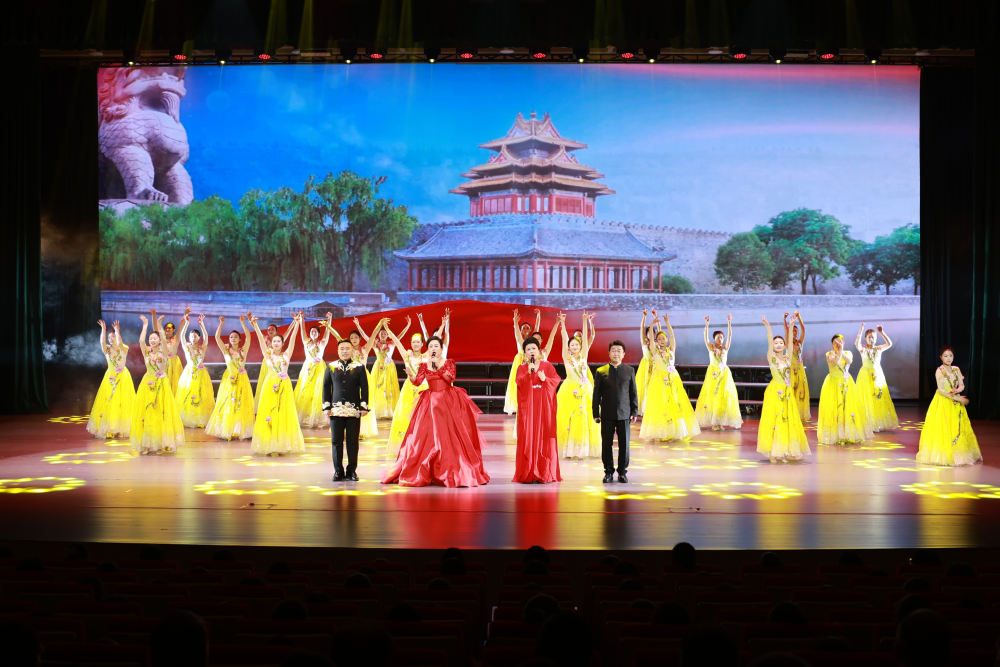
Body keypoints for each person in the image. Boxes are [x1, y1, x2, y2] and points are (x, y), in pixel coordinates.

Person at [382, 336, 490, 487]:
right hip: (430, 402)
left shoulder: (448, 362)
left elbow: (450, 378)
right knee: (426, 437)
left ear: (441, 348)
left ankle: (450, 468)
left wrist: (438, 365)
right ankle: (429, 469)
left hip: (447, 401)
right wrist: (411, 375)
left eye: (436, 346)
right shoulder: (424, 365)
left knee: (449, 436)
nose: (433, 349)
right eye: (430, 346)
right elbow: (418, 382)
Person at [384, 314, 445, 457]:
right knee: (405, 417)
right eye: (413, 342)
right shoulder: (407, 355)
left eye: (418, 342)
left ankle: (423, 446)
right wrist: (387, 329)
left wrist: (442, 325)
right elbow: (396, 340)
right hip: (408, 390)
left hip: (423, 389)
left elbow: (436, 340)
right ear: (411, 344)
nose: (416, 344)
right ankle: (406, 447)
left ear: (422, 344)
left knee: (424, 418)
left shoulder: (426, 356)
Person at [250, 313, 305, 456]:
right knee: (269, 413)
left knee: (283, 413)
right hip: (269, 386)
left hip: (284, 386)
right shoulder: (267, 355)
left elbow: (293, 338)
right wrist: (255, 325)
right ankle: (270, 444)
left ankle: (282, 444)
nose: (275, 343)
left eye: (278, 341)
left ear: (282, 343)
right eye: (274, 341)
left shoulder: (287, 354)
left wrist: (297, 323)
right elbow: (261, 340)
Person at [639, 314, 701, 442]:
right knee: (661, 405)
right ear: (656, 341)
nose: (662, 340)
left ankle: (673, 431)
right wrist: (651, 324)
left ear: (667, 339)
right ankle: (661, 432)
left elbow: (672, 335)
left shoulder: (671, 350)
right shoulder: (655, 351)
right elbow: (651, 339)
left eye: (664, 338)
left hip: (673, 380)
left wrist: (667, 323)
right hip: (659, 380)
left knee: (674, 404)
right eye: (659, 339)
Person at [917, 345, 982, 466]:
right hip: (944, 401)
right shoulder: (939, 371)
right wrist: (957, 398)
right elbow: (941, 390)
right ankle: (945, 455)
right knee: (944, 427)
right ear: (941, 357)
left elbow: (962, 384)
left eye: (950, 355)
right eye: (945, 356)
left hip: (955, 401)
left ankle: (958, 453)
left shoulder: (956, 369)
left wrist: (957, 390)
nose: (948, 358)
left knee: (958, 427)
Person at [131, 312, 186, 455]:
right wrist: (145, 325)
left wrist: (160, 326)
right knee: (147, 412)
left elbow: (163, 337)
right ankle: (146, 444)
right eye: (151, 338)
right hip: (147, 384)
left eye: (155, 338)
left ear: (160, 340)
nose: (152, 340)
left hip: (161, 385)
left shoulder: (164, 351)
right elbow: (141, 341)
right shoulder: (146, 352)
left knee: (161, 412)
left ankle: (161, 443)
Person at [757, 317, 809, 463]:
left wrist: (791, 325)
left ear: (784, 345)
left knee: (786, 420)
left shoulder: (787, 358)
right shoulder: (771, 358)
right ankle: (774, 452)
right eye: (776, 343)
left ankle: (785, 450)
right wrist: (768, 326)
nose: (778, 344)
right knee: (776, 420)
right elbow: (769, 342)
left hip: (787, 392)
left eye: (781, 342)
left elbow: (791, 343)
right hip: (775, 392)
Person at [513, 336, 562, 484]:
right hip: (529, 410)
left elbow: (556, 381)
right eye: (528, 349)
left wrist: (545, 379)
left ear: (539, 351)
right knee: (529, 436)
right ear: (525, 353)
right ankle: (528, 471)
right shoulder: (522, 368)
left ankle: (544, 471)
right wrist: (528, 374)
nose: (531, 351)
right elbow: (519, 384)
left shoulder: (548, 366)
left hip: (544, 409)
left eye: (534, 348)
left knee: (544, 437)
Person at [323, 338, 370, 481]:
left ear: (352, 350)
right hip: (335, 410)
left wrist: (364, 406)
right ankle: (338, 471)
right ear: (338, 351)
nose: (344, 351)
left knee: (353, 442)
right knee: (336, 442)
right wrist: (326, 407)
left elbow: (364, 388)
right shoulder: (331, 366)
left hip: (353, 411)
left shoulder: (359, 367)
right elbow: (326, 387)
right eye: (342, 349)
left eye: (347, 348)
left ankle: (351, 471)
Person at [326, 320, 382, 439]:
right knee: (349, 402)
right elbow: (338, 337)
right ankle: (346, 427)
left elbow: (373, 335)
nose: (354, 339)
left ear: (360, 339)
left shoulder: (365, 349)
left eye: (356, 337)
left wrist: (380, 325)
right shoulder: (348, 350)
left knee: (362, 403)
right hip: (349, 379)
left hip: (363, 379)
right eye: (351, 338)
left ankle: (361, 431)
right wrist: (329, 327)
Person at [593, 340, 638, 483]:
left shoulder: (630, 371)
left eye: (619, 351)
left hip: (624, 414)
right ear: (609, 353)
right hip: (607, 414)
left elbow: (633, 393)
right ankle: (608, 472)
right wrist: (596, 413)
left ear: (623, 354)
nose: (616, 353)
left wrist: (634, 411)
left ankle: (622, 472)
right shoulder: (601, 371)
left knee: (624, 445)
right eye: (613, 350)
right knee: (606, 445)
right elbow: (596, 394)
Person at [817, 331, 873, 445]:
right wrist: (839, 351)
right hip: (833, 383)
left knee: (848, 408)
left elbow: (849, 361)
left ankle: (848, 434)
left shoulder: (848, 353)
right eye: (835, 342)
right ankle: (836, 435)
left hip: (847, 383)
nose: (838, 343)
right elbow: (835, 362)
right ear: (832, 344)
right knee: (835, 408)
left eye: (840, 341)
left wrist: (841, 350)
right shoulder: (829, 354)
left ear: (844, 343)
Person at [557, 313, 600, 459]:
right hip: (569, 390)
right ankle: (569, 450)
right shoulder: (566, 358)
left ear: (580, 346)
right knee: (570, 419)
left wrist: (584, 321)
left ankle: (583, 449)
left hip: (585, 390)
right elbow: (564, 339)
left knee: (585, 418)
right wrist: (563, 323)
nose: (575, 346)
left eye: (577, 344)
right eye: (572, 345)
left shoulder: (584, 357)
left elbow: (586, 339)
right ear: (569, 348)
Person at [205, 315, 255, 440]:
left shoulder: (243, 350)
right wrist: (221, 323)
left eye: (236, 337)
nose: (233, 338)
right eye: (231, 337)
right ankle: (227, 430)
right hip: (229, 379)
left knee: (240, 403)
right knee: (228, 402)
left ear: (239, 339)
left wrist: (243, 323)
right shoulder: (226, 350)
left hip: (242, 379)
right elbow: (217, 337)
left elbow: (248, 337)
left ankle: (239, 430)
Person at [693, 314, 743, 431]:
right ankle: (714, 423)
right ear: (714, 339)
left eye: (721, 337)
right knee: (713, 397)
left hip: (724, 375)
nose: (720, 339)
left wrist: (729, 323)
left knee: (722, 398)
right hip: (713, 375)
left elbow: (730, 336)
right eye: (718, 337)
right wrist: (707, 324)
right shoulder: (711, 348)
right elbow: (705, 338)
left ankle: (719, 422)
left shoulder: (725, 348)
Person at [87, 319, 135, 438]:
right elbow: (102, 342)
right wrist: (103, 330)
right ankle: (110, 428)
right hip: (110, 377)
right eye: (109, 337)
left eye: (113, 337)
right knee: (110, 401)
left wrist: (117, 330)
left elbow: (120, 342)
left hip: (122, 377)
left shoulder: (124, 348)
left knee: (121, 402)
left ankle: (121, 428)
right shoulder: (107, 349)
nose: (111, 339)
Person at [356, 315, 405, 420]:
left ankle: (389, 411)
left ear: (387, 335)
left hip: (389, 368)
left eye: (385, 333)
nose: (383, 335)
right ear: (378, 335)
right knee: (379, 388)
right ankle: (379, 411)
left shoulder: (392, 343)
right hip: (378, 367)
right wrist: (358, 326)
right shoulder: (375, 343)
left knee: (389, 388)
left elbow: (400, 336)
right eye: (381, 333)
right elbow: (365, 336)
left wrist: (408, 326)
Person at [855, 323, 899, 432]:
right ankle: (866, 423)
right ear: (865, 339)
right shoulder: (863, 349)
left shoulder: (878, 349)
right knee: (866, 398)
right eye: (869, 337)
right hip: (865, 375)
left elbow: (889, 344)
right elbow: (857, 344)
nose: (871, 339)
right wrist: (861, 330)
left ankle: (876, 422)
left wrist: (882, 332)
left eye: (873, 337)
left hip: (877, 375)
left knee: (877, 397)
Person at [293, 311, 333, 428]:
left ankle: (318, 418)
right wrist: (302, 318)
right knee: (305, 390)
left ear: (319, 333)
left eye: (315, 331)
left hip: (320, 368)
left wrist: (329, 319)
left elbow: (327, 332)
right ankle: (305, 417)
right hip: (308, 368)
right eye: (311, 331)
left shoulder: (322, 343)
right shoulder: (306, 342)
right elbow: (302, 330)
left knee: (318, 392)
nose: (313, 333)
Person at [175, 314, 215, 428]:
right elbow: (182, 336)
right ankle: (188, 418)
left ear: (199, 338)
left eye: (195, 336)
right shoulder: (187, 347)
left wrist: (202, 324)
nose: (193, 338)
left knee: (201, 394)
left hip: (201, 374)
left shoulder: (202, 348)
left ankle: (200, 418)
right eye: (191, 336)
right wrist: (187, 323)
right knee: (188, 394)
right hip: (189, 373)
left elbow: (206, 336)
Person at [505, 308, 541, 416]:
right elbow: (516, 330)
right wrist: (515, 321)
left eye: (527, 327)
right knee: (519, 384)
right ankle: (519, 406)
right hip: (520, 362)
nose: (525, 329)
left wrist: (538, 316)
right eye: (523, 328)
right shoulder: (519, 339)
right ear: (521, 330)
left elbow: (537, 328)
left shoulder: (532, 340)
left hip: (531, 362)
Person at [253, 323, 284, 412]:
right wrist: (254, 323)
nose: (270, 331)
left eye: (272, 329)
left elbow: (288, 332)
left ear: (276, 331)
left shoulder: (279, 340)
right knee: (265, 382)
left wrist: (294, 323)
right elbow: (259, 334)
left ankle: (276, 403)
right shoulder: (265, 339)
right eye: (269, 330)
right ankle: (264, 404)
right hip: (267, 363)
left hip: (277, 363)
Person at [785, 311, 810, 422]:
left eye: (796, 331)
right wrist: (785, 320)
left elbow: (804, 329)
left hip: (799, 370)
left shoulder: (800, 342)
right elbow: (786, 330)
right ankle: (789, 412)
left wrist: (799, 317)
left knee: (800, 391)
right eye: (793, 331)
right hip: (790, 369)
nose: (794, 332)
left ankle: (798, 413)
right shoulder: (787, 343)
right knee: (790, 390)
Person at [636, 310, 660, 417]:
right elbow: (641, 328)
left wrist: (655, 317)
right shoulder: (644, 343)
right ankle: (645, 409)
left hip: (656, 367)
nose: (651, 334)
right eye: (649, 333)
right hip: (646, 368)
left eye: (653, 332)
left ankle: (654, 408)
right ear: (646, 335)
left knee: (655, 387)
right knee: (646, 387)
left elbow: (660, 330)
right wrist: (644, 317)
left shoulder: (657, 343)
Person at [160, 308, 187, 395]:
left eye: (170, 328)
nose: (167, 329)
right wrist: (154, 315)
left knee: (174, 382)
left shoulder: (176, 339)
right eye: (166, 328)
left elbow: (181, 326)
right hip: (163, 362)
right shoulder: (161, 339)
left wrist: (185, 313)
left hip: (174, 363)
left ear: (173, 330)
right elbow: (156, 328)